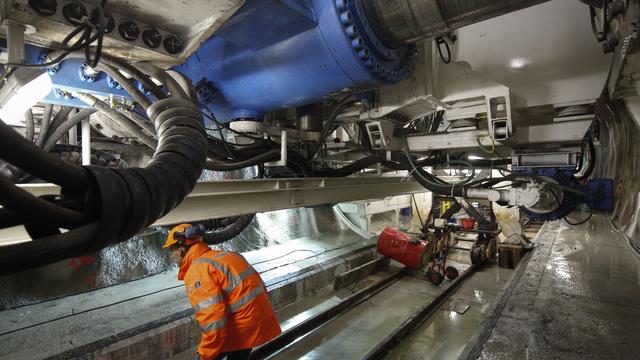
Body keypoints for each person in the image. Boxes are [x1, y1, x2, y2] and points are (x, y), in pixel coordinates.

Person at [163, 223, 281, 360]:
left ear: (180, 251)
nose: (172, 257)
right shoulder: (228, 256)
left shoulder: (198, 270)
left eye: (172, 251)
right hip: (257, 321)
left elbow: (213, 320)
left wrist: (204, 355)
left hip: (241, 328)